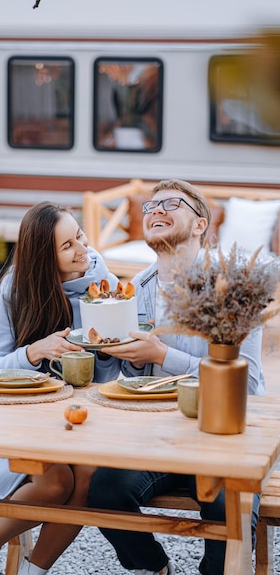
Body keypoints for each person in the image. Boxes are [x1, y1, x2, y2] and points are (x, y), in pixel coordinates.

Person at [87, 179, 265, 575]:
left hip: (225, 437)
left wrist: (162, 355)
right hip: (159, 436)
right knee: (102, 491)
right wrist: (131, 361)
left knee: (227, 505)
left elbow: (248, 385)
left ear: (200, 224)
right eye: (149, 207)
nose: (155, 211)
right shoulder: (133, 290)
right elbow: (130, 377)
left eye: (171, 203)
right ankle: (154, 567)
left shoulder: (235, 288)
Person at [0, 201, 137, 575]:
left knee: (86, 477)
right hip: (17, 419)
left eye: (80, 235)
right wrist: (33, 353)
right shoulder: (15, 290)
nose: (82, 249)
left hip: (78, 420)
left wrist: (101, 351)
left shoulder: (104, 284)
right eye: (67, 245)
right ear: (43, 257)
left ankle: (34, 571)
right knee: (55, 484)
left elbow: (107, 374)